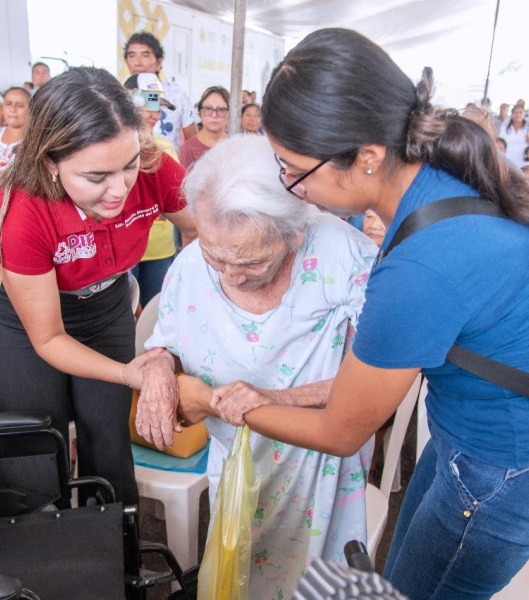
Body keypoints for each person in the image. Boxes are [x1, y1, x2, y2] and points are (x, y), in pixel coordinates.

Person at [138, 28, 529, 600]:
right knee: (399, 577)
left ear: (368, 158)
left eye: (293, 170)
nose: (290, 189)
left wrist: (221, 402)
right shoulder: (441, 182)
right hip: (477, 436)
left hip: (510, 462)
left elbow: (341, 429)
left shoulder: (415, 270)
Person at [138, 135, 377, 598]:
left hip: (319, 457)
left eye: (250, 261)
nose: (229, 274)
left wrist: (275, 399)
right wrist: (156, 371)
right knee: (237, 569)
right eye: (215, 255)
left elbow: (373, 383)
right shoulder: (190, 265)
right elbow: (162, 344)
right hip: (233, 455)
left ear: (294, 230)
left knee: (313, 582)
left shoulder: (343, 256)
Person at [0, 66, 196, 507]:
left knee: (108, 436)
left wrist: (181, 324)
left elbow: (201, 236)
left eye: (129, 165)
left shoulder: (154, 165)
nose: (119, 190)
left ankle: (118, 553)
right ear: (51, 164)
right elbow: (49, 336)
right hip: (24, 323)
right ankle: (52, 560)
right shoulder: (22, 211)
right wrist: (127, 372)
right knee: (40, 439)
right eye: (96, 177)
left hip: (105, 305)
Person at [123, 73, 188, 308]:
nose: (155, 114)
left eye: (159, 106)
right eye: (148, 103)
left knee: (154, 313)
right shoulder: (111, 147)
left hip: (161, 250)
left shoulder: (165, 147)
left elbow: (181, 197)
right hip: (123, 252)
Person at [124, 31, 197, 151]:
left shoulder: (177, 93)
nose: (137, 62)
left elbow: (193, 141)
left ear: (159, 62)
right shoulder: (119, 95)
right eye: (131, 55)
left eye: (145, 55)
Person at [179, 86, 230, 170]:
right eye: (208, 109)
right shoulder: (188, 149)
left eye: (221, 110)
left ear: (229, 113)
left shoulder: (236, 144)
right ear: (199, 113)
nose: (214, 115)